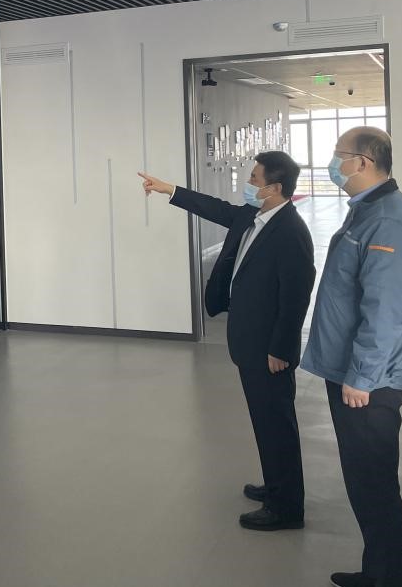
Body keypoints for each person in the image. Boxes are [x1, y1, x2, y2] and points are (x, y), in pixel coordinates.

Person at [140, 151, 315, 531]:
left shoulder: (290, 231)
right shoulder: (254, 216)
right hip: (249, 339)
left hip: (269, 348)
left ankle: (286, 507)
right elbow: (214, 207)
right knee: (264, 420)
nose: (248, 184)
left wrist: (281, 349)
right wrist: (169, 190)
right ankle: (275, 484)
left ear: (274, 188)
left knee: (276, 423)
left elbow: (296, 297)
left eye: (254, 179)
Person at [301, 128, 402, 587]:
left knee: (374, 487)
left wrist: (363, 376)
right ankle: (379, 573)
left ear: (364, 162)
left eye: (339, 156)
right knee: (366, 484)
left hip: (370, 382)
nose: (334, 165)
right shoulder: (368, 209)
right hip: (356, 371)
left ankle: (395, 580)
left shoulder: (387, 220)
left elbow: (387, 308)